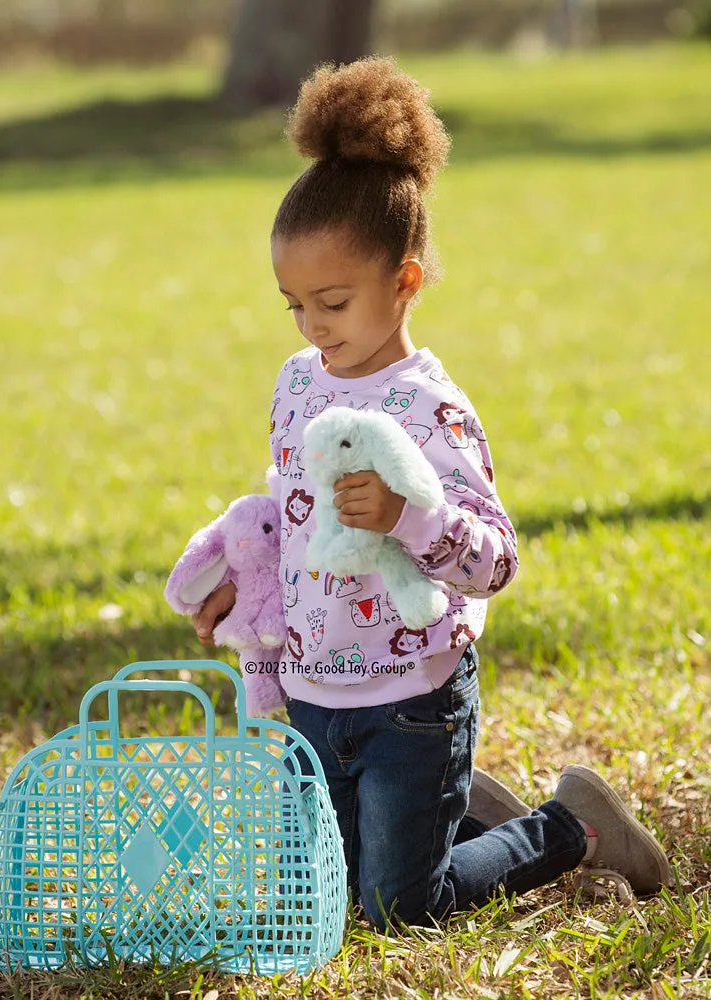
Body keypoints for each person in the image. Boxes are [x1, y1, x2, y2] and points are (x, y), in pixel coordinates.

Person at [193, 57, 670, 929]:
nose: (312, 327)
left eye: (332, 301)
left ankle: (574, 826)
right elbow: (288, 514)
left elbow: (495, 562)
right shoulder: (297, 383)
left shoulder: (429, 407)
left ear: (405, 280)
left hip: (413, 697)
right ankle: (461, 814)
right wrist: (243, 583)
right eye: (292, 305)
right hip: (312, 689)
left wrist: (409, 517)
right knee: (325, 904)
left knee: (399, 910)